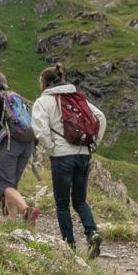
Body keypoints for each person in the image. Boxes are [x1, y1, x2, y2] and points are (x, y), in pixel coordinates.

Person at [31, 64, 104, 257]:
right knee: (80, 200)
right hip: (83, 154)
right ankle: (92, 232)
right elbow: (100, 117)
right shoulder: (77, 97)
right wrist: (94, 144)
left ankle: (69, 246)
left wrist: (51, 148)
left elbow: (40, 129)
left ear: (45, 83)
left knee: (62, 203)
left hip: (62, 156)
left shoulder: (43, 101)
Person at [0, 71, 40, 226]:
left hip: (9, 144)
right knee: (12, 184)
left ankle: (27, 210)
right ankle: (11, 222)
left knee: (4, 184)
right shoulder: (16, 97)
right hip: (28, 144)